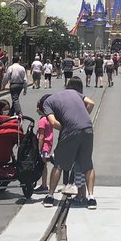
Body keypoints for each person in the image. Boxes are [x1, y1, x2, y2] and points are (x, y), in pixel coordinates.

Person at [42, 77, 97, 209]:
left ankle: (50, 196)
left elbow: (53, 122)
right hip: (88, 128)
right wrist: (82, 119)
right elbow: (91, 103)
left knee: (58, 163)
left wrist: (67, 127)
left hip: (70, 130)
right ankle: (91, 198)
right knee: (88, 164)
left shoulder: (47, 103)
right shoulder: (74, 93)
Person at [35, 94, 53, 195]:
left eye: (37, 107)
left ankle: (44, 185)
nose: (36, 110)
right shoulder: (49, 119)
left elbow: (41, 136)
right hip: (48, 144)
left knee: (43, 164)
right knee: (44, 164)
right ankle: (44, 184)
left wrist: (39, 148)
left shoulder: (42, 121)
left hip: (44, 146)